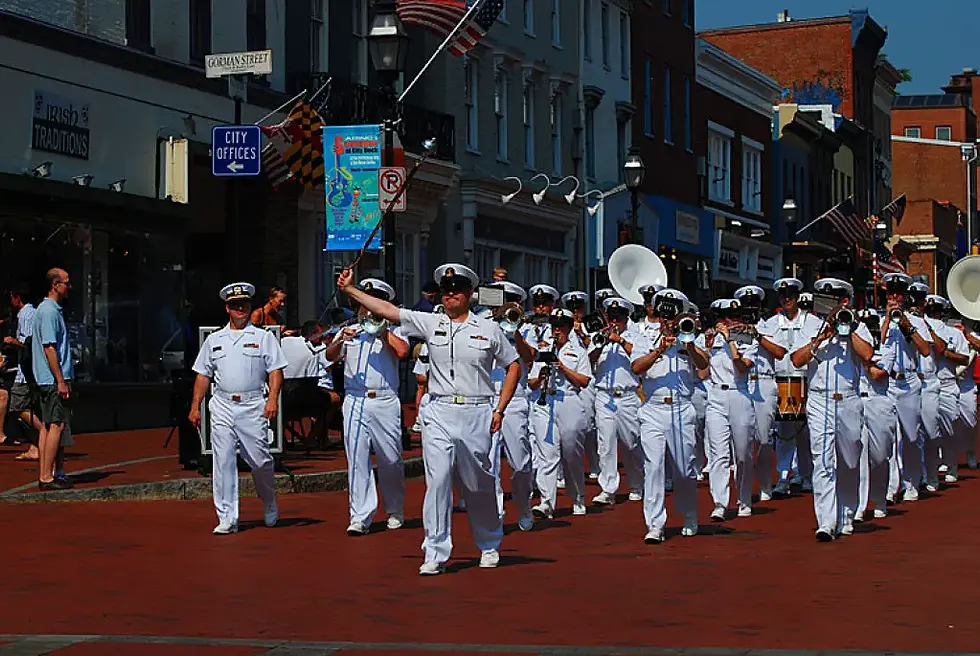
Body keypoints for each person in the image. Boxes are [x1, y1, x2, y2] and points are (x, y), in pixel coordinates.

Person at [338, 264, 521, 575]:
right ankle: (435, 549)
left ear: (469, 295)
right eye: (446, 291)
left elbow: (513, 365)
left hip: (476, 410)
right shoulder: (429, 321)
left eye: (457, 291)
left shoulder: (488, 329)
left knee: (478, 483)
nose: (451, 296)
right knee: (437, 481)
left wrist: (500, 408)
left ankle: (489, 542)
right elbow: (388, 311)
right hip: (438, 410)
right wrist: (350, 290)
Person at [189, 282, 287, 534]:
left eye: (243, 304)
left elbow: (275, 371)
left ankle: (268, 501)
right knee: (222, 461)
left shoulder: (263, 337)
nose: (240, 308)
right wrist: (195, 407)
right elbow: (202, 375)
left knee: (260, 460)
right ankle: (227, 516)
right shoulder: (214, 340)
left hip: (253, 404)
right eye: (235, 305)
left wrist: (273, 398)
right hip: (221, 404)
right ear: (227, 308)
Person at [791, 278, 873, 540]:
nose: (825, 306)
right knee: (823, 461)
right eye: (821, 300)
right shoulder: (811, 325)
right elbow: (796, 360)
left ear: (843, 302)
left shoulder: (855, 325)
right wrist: (821, 337)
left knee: (849, 460)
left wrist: (848, 330)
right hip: (819, 399)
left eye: (831, 302)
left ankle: (847, 514)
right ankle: (825, 522)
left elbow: (868, 354)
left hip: (848, 399)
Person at [325, 278, 409, 535]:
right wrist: (340, 341)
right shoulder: (349, 330)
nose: (367, 311)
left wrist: (382, 330)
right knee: (357, 458)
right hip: (355, 399)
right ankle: (360, 515)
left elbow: (403, 352)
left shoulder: (395, 329)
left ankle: (395, 508)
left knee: (390, 457)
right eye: (363, 305)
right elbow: (329, 357)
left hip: (384, 399)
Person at [630, 289, 710, 543]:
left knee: (685, 469)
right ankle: (655, 525)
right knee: (653, 468)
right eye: (664, 310)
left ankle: (688, 515)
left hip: (682, 408)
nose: (668, 317)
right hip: (653, 408)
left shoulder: (689, 334)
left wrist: (687, 343)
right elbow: (636, 367)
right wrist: (658, 350)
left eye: (673, 311)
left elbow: (703, 365)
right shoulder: (644, 336)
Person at [529, 308, 593, 518]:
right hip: (545, 401)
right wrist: (541, 375)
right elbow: (531, 383)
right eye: (554, 326)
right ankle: (546, 502)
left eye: (562, 327)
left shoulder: (578, 351)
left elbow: (584, 381)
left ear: (568, 328)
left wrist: (563, 368)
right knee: (547, 454)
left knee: (571, 453)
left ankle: (578, 497)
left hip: (569, 400)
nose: (557, 331)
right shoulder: (544, 350)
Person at [487, 281, 535, 530]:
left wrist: (514, 329)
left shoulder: (526, 328)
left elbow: (529, 358)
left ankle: (524, 505)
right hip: (488, 398)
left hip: (515, 399)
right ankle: (496, 514)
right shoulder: (483, 324)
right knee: (490, 462)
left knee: (520, 462)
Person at [880, 273, 931, 502]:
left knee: (911, 437)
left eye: (898, 294)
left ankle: (912, 480)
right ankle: (892, 486)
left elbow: (925, 350)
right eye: (891, 294)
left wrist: (906, 325)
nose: (895, 298)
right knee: (890, 437)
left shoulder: (916, 321)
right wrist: (887, 321)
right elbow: (876, 346)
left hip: (909, 381)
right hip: (887, 381)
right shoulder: (879, 319)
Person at [589, 297, 644, 505]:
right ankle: (608, 488)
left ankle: (637, 483)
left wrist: (619, 340)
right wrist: (599, 343)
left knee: (631, 442)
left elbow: (639, 360)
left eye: (618, 318)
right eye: (611, 317)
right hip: (604, 394)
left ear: (625, 318)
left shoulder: (636, 337)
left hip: (628, 395)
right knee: (606, 444)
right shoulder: (599, 337)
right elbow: (589, 360)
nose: (614, 321)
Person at [734, 285, 782, 502]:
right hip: (741, 384)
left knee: (764, 439)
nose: (750, 308)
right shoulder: (734, 327)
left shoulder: (771, 325)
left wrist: (758, 335)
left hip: (763, 382)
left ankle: (764, 483)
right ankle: (742, 489)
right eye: (746, 305)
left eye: (754, 304)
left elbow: (780, 352)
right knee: (741, 442)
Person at [767, 278, 815, 495]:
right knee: (784, 433)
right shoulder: (770, 323)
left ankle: (806, 474)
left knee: (806, 434)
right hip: (781, 382)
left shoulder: (812, 321)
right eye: (783, 296)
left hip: (807, 381)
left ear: (798, 297)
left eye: (791, 295)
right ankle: (784, 475)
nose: (787, 299)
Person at [32, 268, 75, 491]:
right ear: (55, 285)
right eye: (66, 283)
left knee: (49, 426)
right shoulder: (48, 312)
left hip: (48, 378)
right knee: (55, 424)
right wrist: (60, 379)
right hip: (51, 379)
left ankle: (54, 472)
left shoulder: (50, 310)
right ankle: (47, 476)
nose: (69, 287)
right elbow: (49, 347)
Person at [855, 309, 896, 521]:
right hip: (857, 400)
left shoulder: (887, 350)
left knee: (880, 457)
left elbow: (878, 374)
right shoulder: (853, 347)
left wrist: (864, 357)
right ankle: (859, 507)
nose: (871, 330)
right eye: (867, 326)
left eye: (873, 326)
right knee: (858, 456)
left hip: (879, 401)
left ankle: (880, 498)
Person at [4, 285, 42, 461]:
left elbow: (27, 343)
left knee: (17, 407)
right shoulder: (32, 313)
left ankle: (44, 433)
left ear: (16, 297)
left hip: (25, 370)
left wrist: (12, 341)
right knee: (30, 406)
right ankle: (36, 447)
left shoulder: (26, 315)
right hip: (31, 369)